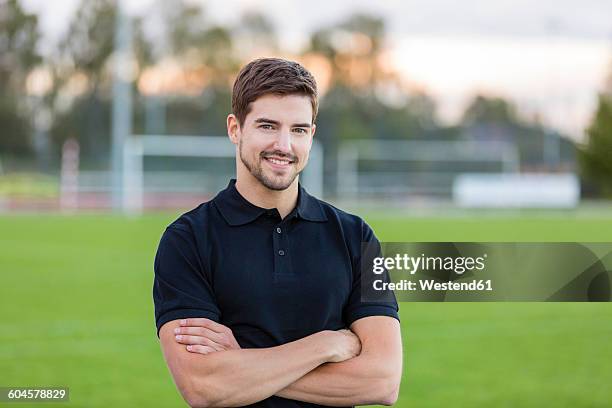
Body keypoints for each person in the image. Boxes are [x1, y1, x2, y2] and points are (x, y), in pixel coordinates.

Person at [153, 57, 402, 408]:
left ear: (311, 135)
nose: (284, 145)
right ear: (235, 129)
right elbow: (204, 386)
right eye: (268, 126)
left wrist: (244, 363)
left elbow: (382, 381)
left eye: (298, 130)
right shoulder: (187, 240)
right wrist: (326, 345)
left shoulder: (355, 236)